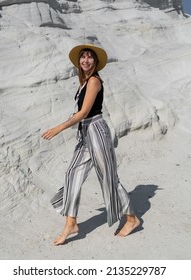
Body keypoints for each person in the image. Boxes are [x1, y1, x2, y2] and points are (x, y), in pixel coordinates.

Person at [41, 44, 140, 246]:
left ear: (96, 62)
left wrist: (59, 127)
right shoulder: (83, 82)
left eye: (90, 57)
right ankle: (71, 222)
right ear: (79, 62)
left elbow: (85, 113)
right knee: (72, 174)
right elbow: (80, 114)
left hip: (97, 131)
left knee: (108, 177)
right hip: (85, 133)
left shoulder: (94, 81)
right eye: (83, 57)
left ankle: (132, 218)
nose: (86, 60)